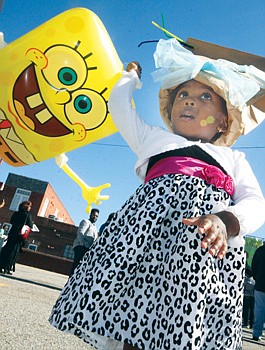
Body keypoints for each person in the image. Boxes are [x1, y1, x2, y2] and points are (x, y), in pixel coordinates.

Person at [50, 38, 265, 350]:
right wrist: (130, 77)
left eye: (205, 96)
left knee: (184, 322)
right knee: (133, 314)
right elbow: (120, 109)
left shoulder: (234, 159)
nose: (190, 101)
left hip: (198, 254)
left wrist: (227, 221)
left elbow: (256, 203)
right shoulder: (153, 138)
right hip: (144, 245)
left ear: (223, 120)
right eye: (183, 95)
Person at [0, 200, 33, 275]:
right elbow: (30, 225)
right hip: (19, 235)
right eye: (29, 206)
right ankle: (7, 268)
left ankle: (1, 265)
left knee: (7, 248)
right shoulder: (28, 215)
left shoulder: (16, 213)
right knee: (14, 251)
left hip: (12, 232)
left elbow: (11, 221)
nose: (30, 208)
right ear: (26, 207)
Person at [69, 208, 99, 276]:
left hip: (87, 250)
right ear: (90, 214)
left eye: (97, 216)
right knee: (76, 265)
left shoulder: (94, 227)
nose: (95, 217)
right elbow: (80, 233)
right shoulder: (85, 222)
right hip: (80, 247)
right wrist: (84, 244)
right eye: (94, 215)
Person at [251, 242, 265, 341]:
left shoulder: (260, 250)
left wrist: (257, 278)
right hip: (260, 283)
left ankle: (257, 333)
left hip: (260, 284)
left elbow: (253, 266)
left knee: (259, 310)